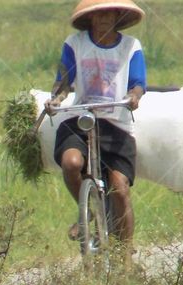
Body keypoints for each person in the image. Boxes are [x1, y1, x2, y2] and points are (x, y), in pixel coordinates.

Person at [45, 0, 147, 261]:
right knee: (71, 163)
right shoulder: (75, 43)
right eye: (98, 14)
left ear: (117, 16)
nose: (103, 18)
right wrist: (56, 99)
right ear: (89, 19)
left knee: (119, 187)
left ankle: (124, 256)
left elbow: (138, 83)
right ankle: (88, 211)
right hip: (82, 117)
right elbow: (63, 82)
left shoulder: (130, 46)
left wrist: (134, 96)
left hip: (117, 123)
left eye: (109, 13)